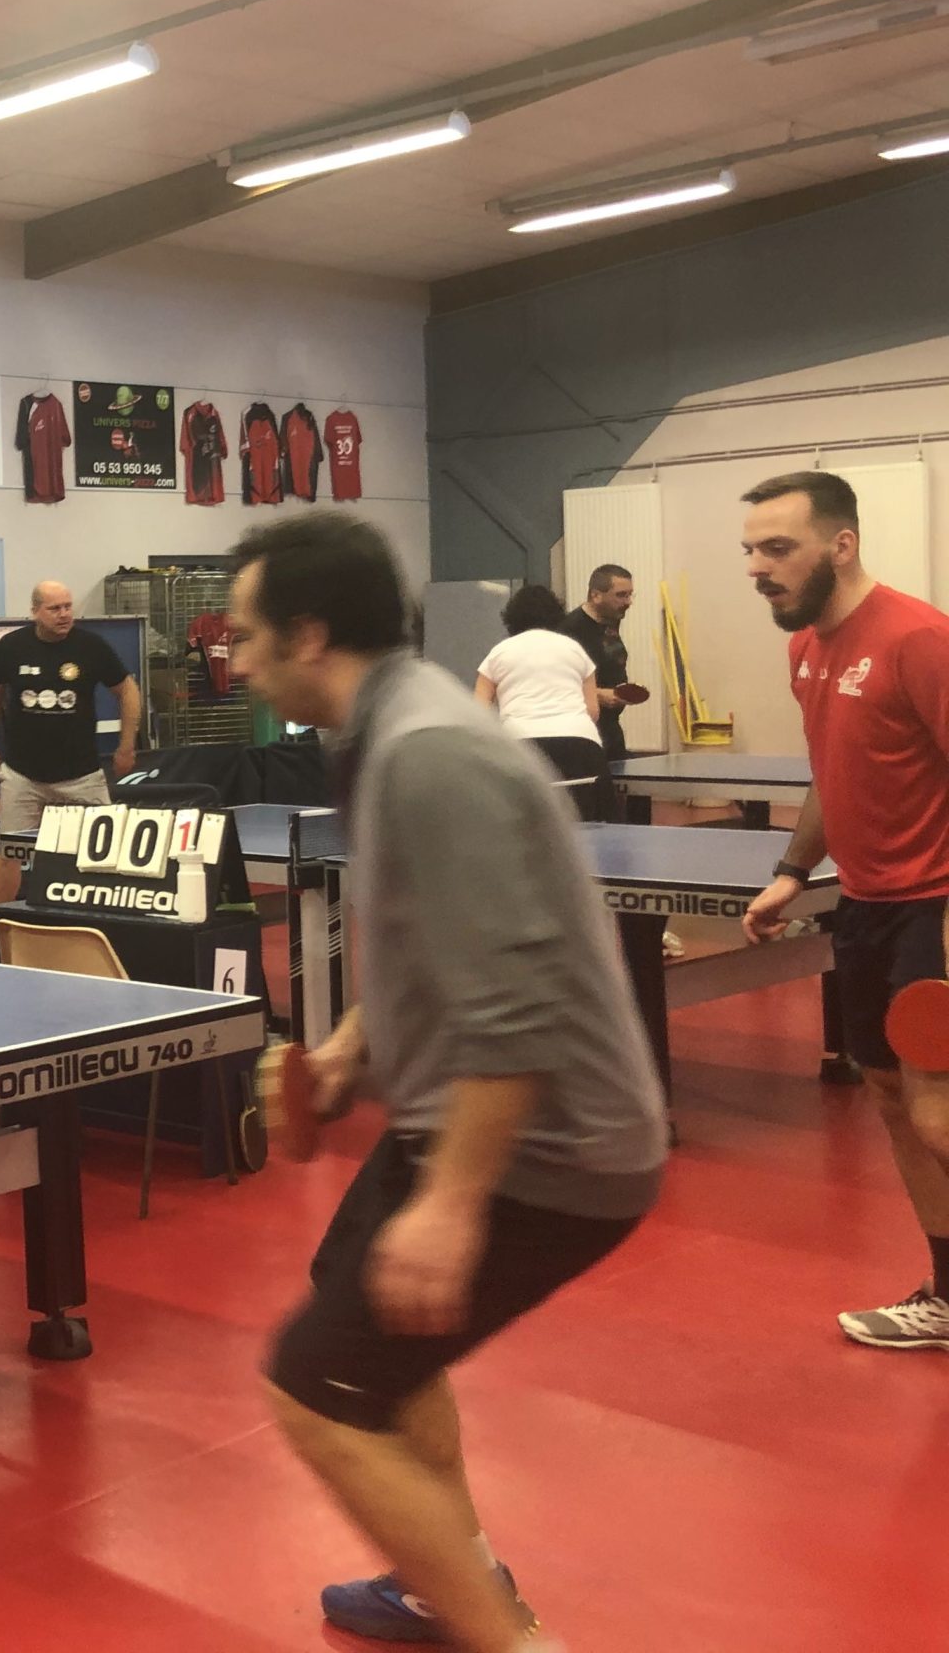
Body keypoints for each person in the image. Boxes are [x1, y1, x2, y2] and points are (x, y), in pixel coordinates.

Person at [232, 513, 663, 1653]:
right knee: (357, 1318)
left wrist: (453, 1199)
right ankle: (447, 1578)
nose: (237, 660)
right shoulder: (386, 728)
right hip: (465, 1112)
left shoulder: (428, 752)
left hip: (551, 1144)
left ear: (307, 634)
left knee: (314, 1394)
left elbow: (513, 1003)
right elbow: (436, 937)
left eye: (246, 635)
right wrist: (350, 1047)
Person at [737, 470, 949, 1353]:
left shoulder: (918, 638)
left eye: (778, 548)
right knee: (893, 1101)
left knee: (938, 1112)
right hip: (863, 907)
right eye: (751, 551)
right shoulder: (805, 650)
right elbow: (832, 770)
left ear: (842, 545)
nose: (758, 567)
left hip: (935, 905)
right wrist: (793, 871)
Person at [0, 581, 140, 904]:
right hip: (23, 776)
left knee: (103, 851)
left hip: (82, 775)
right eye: (54, 609)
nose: (64, 614)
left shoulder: (91, 647)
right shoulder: (12, 646)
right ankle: (2, 918)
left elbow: (127, 690)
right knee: (9, 853)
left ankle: (103, 919)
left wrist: (126, 745)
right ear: (35, 611)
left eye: (67, 607)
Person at [473, 584, 609, 813]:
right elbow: (592, 711)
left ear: (511, 617)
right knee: (595, 823)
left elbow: (479, 713)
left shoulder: (498, 653)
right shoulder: (575, 650)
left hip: (521, 745)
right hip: (580, 743)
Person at [558, 565, 634, 764]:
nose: (628, 602)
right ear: (596, 595)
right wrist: (598, 694)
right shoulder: (569, 630)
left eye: (630, 595)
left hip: (611, 729)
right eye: (621, 595)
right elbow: (557, 684)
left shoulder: (611, 621)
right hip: (582, 734)